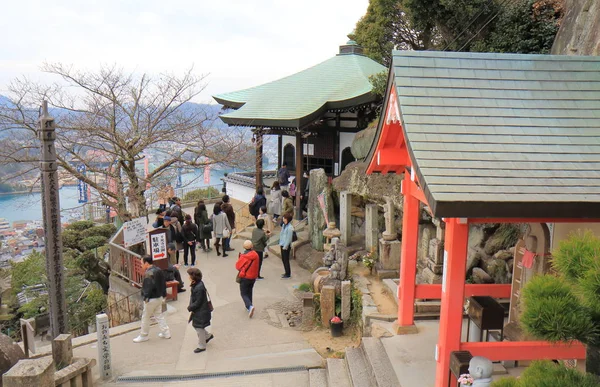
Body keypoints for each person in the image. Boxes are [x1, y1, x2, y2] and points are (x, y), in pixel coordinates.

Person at [133, 256, 170, 342]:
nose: (141, 265)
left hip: (151, 298)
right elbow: (163, 283)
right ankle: (166, 332)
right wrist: (164, 294)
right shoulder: (159, 270)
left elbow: (147, 287)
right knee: (159, 315)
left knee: (146, 317)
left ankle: (143, 335)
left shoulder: (149, 273)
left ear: (146, 263)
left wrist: (146, 297)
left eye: (142, 263)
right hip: (159, 296)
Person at [187, 267, 213, 353]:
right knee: (197, 326)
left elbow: (198, 302)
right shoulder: (197, 284)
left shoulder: (198, 287)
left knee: (199, 327)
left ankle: (202, 345)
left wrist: (190, 307)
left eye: (189, 275)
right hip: (200, 310)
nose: (188, 277)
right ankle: (207, 336)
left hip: (201, 311)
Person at [235, 240, 259, 317]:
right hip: (253, 277)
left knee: (243, 293)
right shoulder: (256, 255)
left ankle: (250, 306)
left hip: (245, 277)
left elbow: (238, 266)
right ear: (252, 246)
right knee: (249, 291)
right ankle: (249, 306)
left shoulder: (244, 256)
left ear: (244, 247)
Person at [279, 213, 294, 279]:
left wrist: (285, 246)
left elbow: (289, 238)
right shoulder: (284, 226)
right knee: (283, 259)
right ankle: (286, 272)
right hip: (282, 244)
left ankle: (288, 273)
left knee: (286, 259)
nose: (283, 219)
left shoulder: (290, 228)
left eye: (284, 218)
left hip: (286, 246)